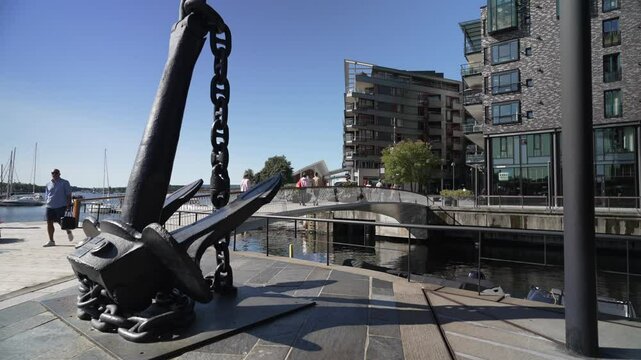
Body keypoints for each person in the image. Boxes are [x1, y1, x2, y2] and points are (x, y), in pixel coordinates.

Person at [43, 168, 73, 247]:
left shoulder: (65, 182)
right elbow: (47, 195)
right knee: (49, 223)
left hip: (61, 206)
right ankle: (51, 240)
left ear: (59, 174)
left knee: (61, 222)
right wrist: (46, 202)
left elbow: (68, 195)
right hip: (50, 206)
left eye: (56, 173)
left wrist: (68, 206)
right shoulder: (48, 184)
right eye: (53, 173)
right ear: (51, 174)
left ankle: (68, 231)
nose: (54, 174)